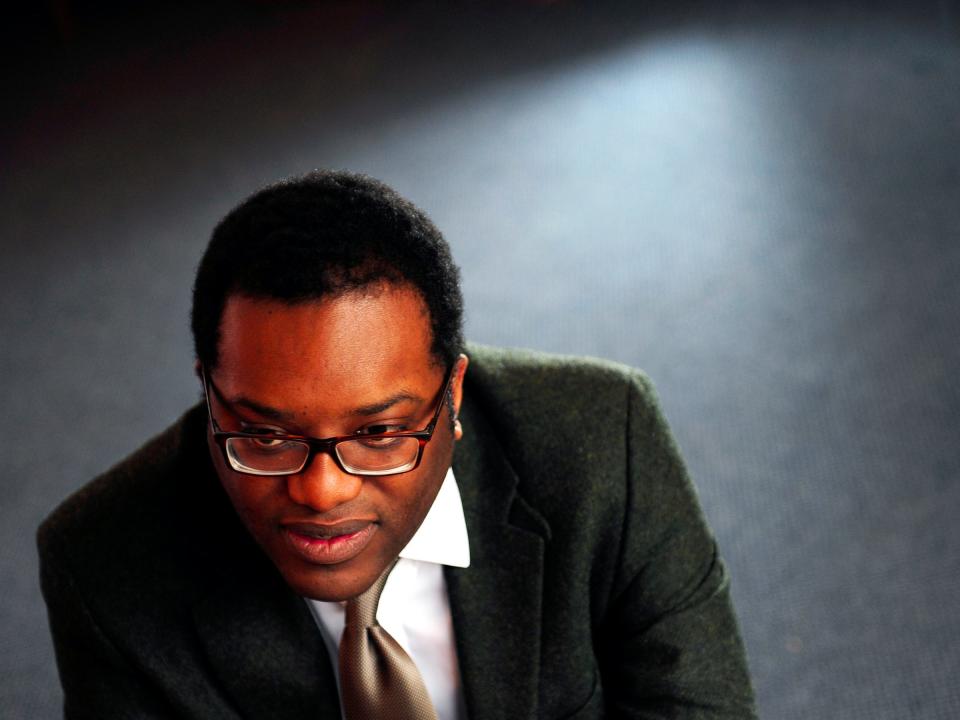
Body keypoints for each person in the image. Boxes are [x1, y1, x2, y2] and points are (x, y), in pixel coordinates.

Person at [38, 170, 757, 719]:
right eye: (263, 433)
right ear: (207, 390)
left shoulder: (606, 440)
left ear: (454, 395)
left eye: (379, 432)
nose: (322, 491)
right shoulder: (102, 565)